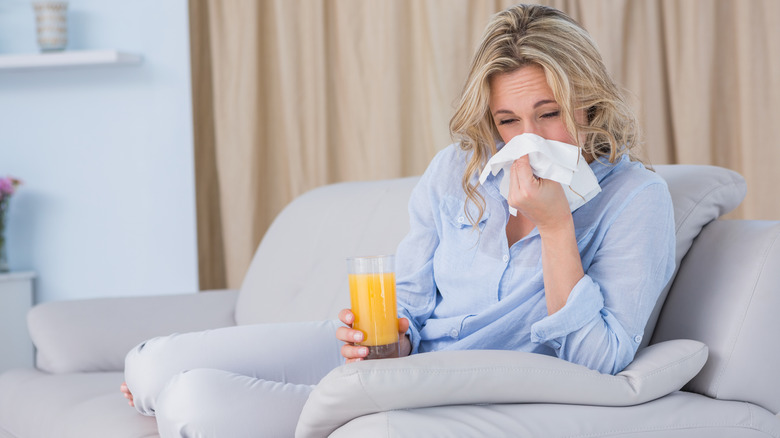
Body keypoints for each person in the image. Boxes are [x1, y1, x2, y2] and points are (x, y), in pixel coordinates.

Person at [121, 4, 675, 437]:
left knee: (191, 403)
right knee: (150, 366)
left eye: (548, 114)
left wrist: (556, 229)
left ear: (588, 103)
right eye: (508, 120)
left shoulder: (634, 198)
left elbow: (599, 360)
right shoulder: (458, 170)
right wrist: (391, 341)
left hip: (448, 388)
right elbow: (408, 304)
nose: (527, 139)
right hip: (399, 363)